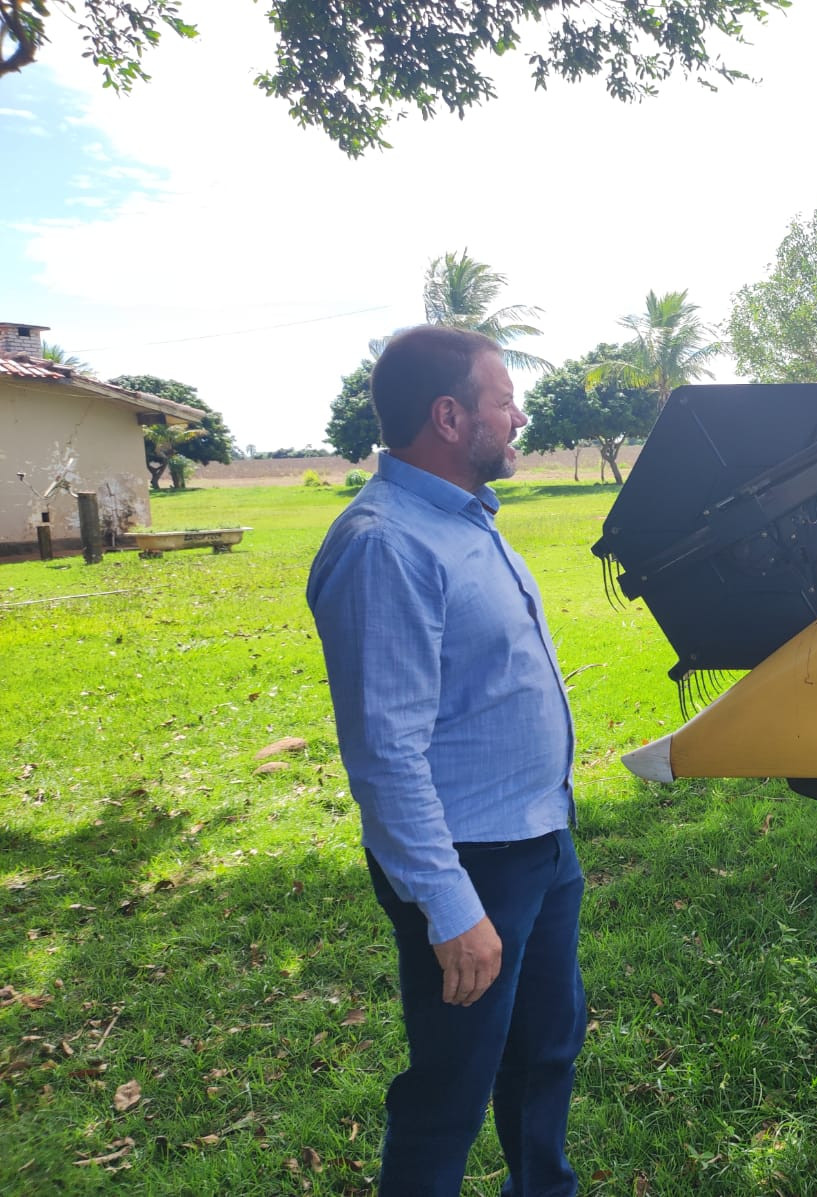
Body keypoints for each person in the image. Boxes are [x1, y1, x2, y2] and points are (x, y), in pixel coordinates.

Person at [306, 325, 585, 1197]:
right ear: (450, 416)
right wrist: (450, 906)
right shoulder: (385, 543)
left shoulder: (462, 520)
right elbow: (385, 753)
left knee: (545, 1050)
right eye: (504, 400)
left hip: (539, 840)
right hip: (469, 866)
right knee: (450, 1090)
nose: (520, 414)